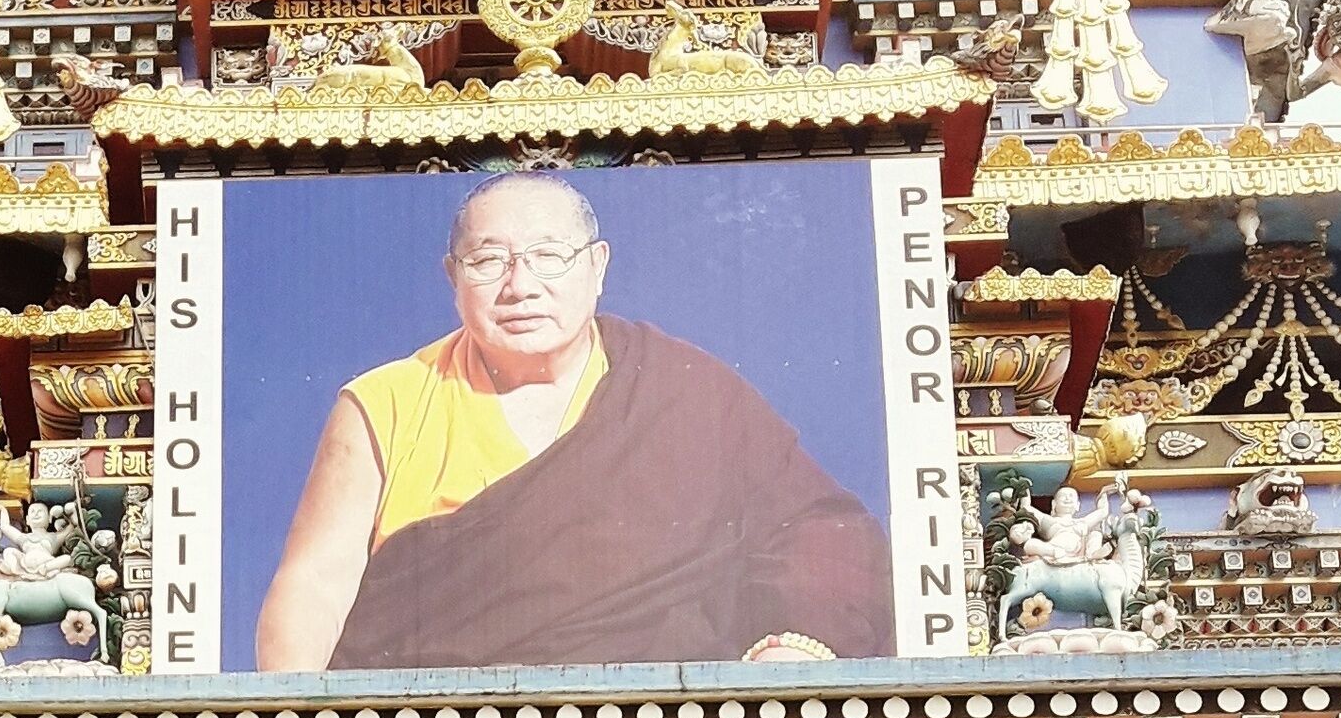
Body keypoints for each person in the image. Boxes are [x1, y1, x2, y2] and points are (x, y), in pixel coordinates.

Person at [256, 173, 894, 671]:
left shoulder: (681, 389)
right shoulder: (386, 402)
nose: (519, 285)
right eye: (487, 261)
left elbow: (814, 529)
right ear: (453, 277)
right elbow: (316, 580)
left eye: (548, 256)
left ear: (598, 266)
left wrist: (793, 650)